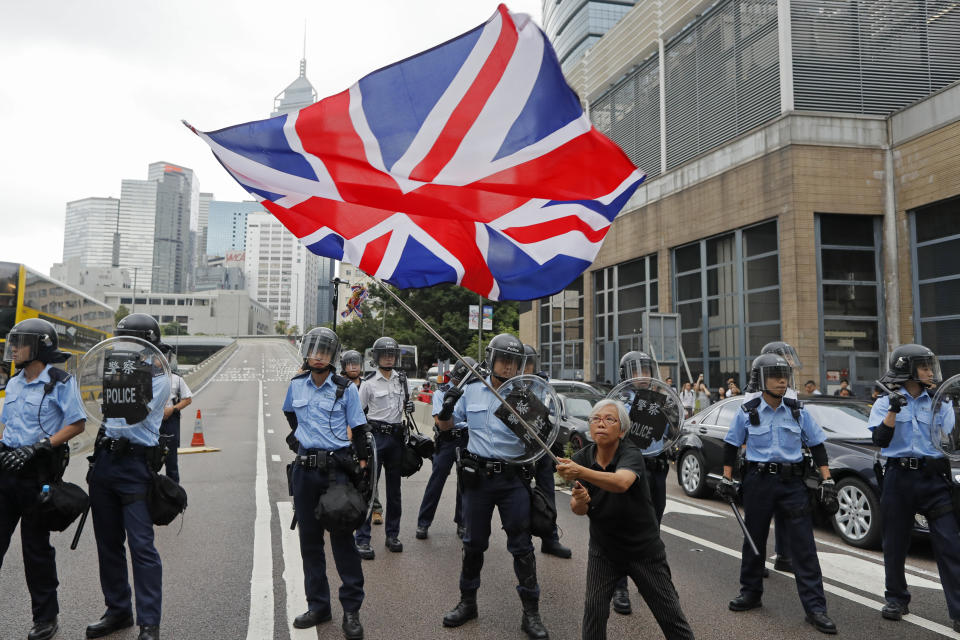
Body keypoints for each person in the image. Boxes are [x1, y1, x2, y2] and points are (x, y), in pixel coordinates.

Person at [438, 333, 549, 639]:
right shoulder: (472, 390)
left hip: (513, 480)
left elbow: (543, 439)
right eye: (503, 360)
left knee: (522, 546)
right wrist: (446, 410)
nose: (509, 367)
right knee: (473, 543)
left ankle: (532, 613)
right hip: (478, 480)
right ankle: (467, 601)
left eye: (514, 362)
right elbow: (445, 428)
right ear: (491, 359)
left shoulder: (526, 395)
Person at [718, 353, 838, 634]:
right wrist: (726, 479)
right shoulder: (747, 411)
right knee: (754, 538)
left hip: (792, 484)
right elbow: (731, 445)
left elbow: (818, 445)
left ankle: (816, 608)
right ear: (760, 380)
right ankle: (750, 593)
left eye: (784, 375)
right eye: (774, 375)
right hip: (758, 482)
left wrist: (828, 480)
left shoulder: (798, 411)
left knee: (804, 546)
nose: (782, 380)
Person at [556, 399, 694, 640]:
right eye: (596, 419)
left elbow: (621, 483)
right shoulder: (582, 457)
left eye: (609, 419)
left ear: (621, 430)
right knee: (594, 615)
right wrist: (580, 498)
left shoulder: (630, 453)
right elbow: (578, 509)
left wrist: (580, 472)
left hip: (643, 551)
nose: (601, 424)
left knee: (671, 618)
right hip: (604, 550)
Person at [86, 314, 172, 640]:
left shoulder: (161, 376)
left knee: (141, 547)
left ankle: (149, 622)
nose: (122, 348)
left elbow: (136, 409)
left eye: (128, 342)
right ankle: (118, 610)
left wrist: (122, 379)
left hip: (135, 464)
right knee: (108, 544)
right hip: (106, 461)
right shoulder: (116, 371)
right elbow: (101, 408)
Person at [0, 319, 86, 640]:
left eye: (19, 343)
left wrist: (39, 446)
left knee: (36, 551)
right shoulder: (14, 382)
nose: (13, 348)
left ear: (38, 347)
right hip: (7, 473)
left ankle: (46, 619)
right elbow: (6, 423)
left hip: (37, 476)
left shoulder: (61, 382)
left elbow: (76, 424)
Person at [282, 328, 369, 639]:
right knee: (310, 543)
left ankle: (351, 611)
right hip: (305, 473)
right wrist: (302, 440)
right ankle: (318, 605)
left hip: (337, 474)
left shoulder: (346, 389)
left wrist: (362, 472)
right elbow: (290, 415)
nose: (318, 355)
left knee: (343, 541)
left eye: (324, 350)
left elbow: (359, 431)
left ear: (334, 356)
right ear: (306, 352)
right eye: (313, 349)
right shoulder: (296, 385)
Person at [868, 344, 959, 632]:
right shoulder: (885, 402)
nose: (931, 371)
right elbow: (881, 440)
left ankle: (958, 610)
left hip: (933, 479)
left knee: (950, 544)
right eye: (924, 366)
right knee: (894, 543)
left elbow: (953, 440)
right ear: (907, 369)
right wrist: (894, 408)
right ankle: (896, 599)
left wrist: (954, 404)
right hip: (899, 479)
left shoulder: (939, 403)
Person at [609, 350, 671, 616]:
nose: (642, 376)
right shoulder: (617, 402)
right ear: (626, 375)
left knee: (652, 527)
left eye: (646, 370)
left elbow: (673, 432)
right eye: (636, 371)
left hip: (657, 470)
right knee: (624, 525)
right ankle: (619, 586)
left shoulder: (663, 400)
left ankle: (652, 584)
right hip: (630, 469)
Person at [354, 336, 413, 559]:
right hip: (376, 437)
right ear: (376, 357)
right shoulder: (368, 383)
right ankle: (362, 538)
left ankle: (392, 535)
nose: (389, 358)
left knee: (395, 492)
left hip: (397, 438)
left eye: (392, 354)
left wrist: (410, 405)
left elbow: (405, 406)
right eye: (384, 354)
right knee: (368, 488)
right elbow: (358, 414)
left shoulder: (402, 380)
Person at [415, 357, 474, 541]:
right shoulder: (442, 391)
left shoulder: (472, 391)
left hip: (467, 438)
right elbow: (442, 424)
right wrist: (450, 408)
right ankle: (423, 522)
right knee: (436, 480)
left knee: (465, 481)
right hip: (448, 440)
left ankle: (462, 522)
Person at [523, 344, 572, 559]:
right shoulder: (506, 386)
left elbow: (552, 412)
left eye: (530, 364)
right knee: (518, 496)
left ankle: (550, 538)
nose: (527, 368)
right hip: (518, 449)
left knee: (548, 494)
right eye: (523, 364)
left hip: (542, 447)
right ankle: (522, 542)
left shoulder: (543, 385)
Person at [340, 349, 383, 526]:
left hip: (364, 434)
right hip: (343, 434)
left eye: (356, 363)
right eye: (349, 364)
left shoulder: (367, 384)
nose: (353, 367)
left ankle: (375, 509)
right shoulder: (339, 385)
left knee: (370, 472)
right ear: (343, 366)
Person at [157, 346, 192, 484]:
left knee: (171, 463)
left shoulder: (176, 379)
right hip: (151, 422)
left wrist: (173, 409)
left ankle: (173, 496)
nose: (161, 359)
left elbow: (187, 399)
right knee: (148, 462)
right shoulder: (145, 378)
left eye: (164, 356)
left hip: (170, 422)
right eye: (157, 356)